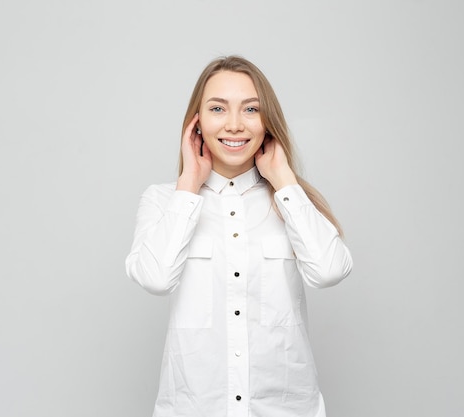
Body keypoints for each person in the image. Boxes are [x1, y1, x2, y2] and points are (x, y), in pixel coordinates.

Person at [125, 55, 353, 417]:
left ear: (268, 122)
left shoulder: (292, 201)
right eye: (218, 108)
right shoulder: (164, 200)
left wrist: (284, 180)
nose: (234, 125)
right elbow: (155, 279)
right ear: (196, 123)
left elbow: (329, 271)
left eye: (251, 109)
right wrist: (189, 185)